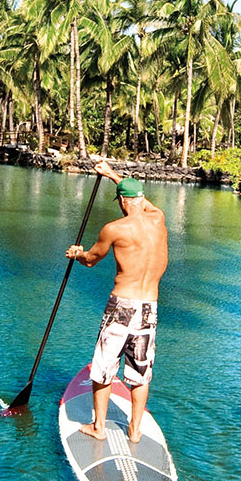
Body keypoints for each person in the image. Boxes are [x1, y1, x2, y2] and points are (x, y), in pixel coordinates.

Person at [64, 159, 169, 443]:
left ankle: (99, 427)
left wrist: (77, 253)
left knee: (103, 367)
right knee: (140, 372)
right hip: (150, 307)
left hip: (123, 306)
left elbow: (90, 261)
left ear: (122, 201)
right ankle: (135, 430)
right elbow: (138, 198)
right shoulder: (157, 217)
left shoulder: (114, 229)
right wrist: (112, 175)